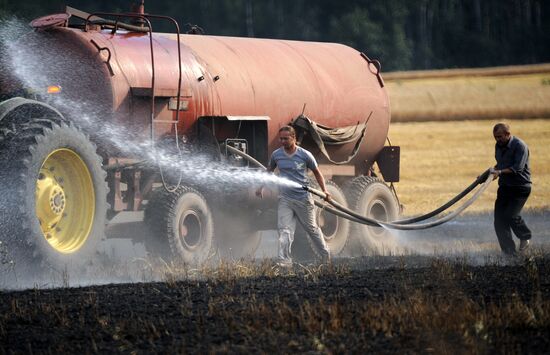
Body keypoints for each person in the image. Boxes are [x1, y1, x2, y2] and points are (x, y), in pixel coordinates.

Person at [257, 125, 331, 266]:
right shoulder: (276, 155)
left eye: (286, 138)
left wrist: (325, 191)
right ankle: (285, 260)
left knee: (312, 229)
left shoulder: (305, 155)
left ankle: (325, 254)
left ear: (294, 138)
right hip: (285, 198)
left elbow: (317, 173)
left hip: (303, 199)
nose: (283, 141)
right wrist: (261, 187)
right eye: (281, 139)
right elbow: (269, 171)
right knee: (284, 229)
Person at [491, 123, 532, 255]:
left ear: (508, 134)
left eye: (499, 137)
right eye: (495, 137)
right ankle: (509, 253)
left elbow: (517, 168)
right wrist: (490, 173)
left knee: (511, 215)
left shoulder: (520, 146)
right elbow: (501, 164)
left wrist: (500, 172)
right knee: (499, 221)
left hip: (520, 188)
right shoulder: (498, 145)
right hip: (505, 187)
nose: (497, 140)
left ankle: (525, 237)